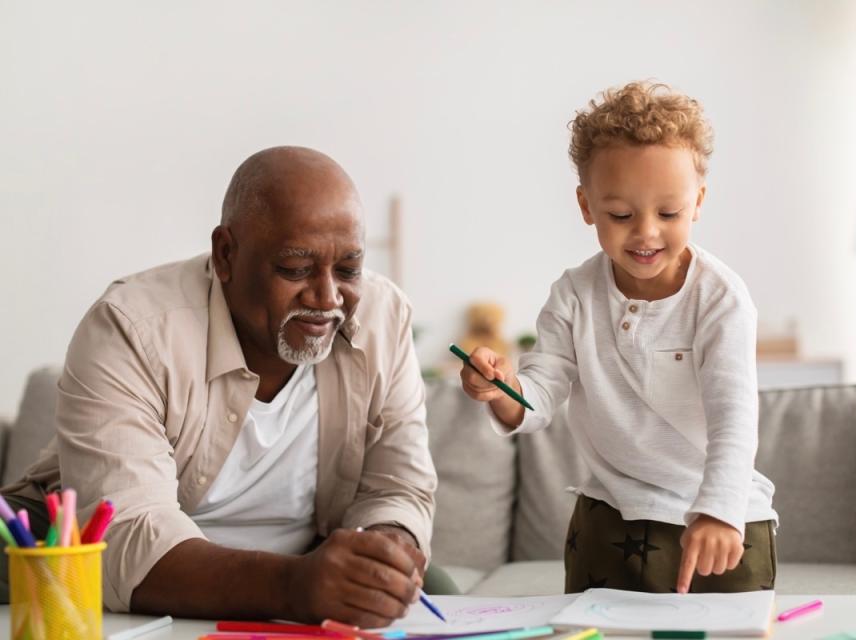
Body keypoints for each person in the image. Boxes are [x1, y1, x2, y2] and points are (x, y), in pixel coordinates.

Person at [0, 146, 444, 626]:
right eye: (295, 269)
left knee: (436, 591)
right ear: (226, 254)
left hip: (303, 563)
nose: (328, 297)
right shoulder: (132, 327)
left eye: (349, 269)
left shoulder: (383, 316)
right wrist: (294, 586)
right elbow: (128, 537)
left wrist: (385, 551)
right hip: (94, 559)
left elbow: (400, 485)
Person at [458, 82, 778, 595]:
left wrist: (719, 511)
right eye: (622, 216)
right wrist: (501, 390)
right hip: (612, 517)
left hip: (717, 519)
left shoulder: (722, 300)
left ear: (697, 202)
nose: (647, 233)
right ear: (587, 206)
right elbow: (539, 395)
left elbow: (734, 419)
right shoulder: (574, 295)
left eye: (668, 214)